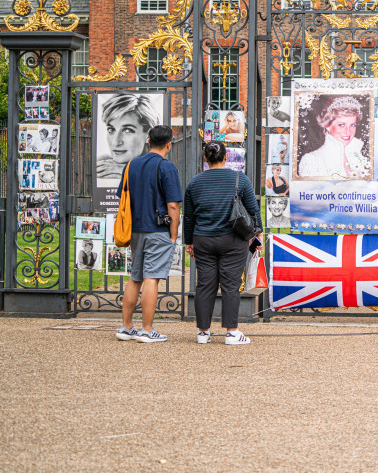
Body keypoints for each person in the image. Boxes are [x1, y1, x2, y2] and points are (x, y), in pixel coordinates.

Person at [183, 142, 263, 345]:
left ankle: (203, 332)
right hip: (233, 240)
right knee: (231, 285)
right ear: (226, 157)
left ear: (205, 159)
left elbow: (189, 217)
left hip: (203, 239)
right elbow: (253, 210)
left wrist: (189, 241)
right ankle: (232, 332)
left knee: (205, 285)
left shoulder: (195, 183)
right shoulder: (240, 179)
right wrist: (257, 234)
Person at [114, 125, 182, 343]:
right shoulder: (167, 167)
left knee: (135, 277)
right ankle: (147, 329)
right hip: (158, 229)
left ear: (148, 141)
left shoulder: (131, 164)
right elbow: (172, 205)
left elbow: (122, 197)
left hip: (135, 229)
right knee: (152, 277)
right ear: (169, 144)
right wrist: (173, 235)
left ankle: (126, 327)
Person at [298, 96, 369, 179]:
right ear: (327, 125)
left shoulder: (358, 155)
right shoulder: (312, 160)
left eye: (352, 125)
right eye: (341, 125)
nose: (348, 132)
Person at [98, 93, 160, 186]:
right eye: (111, 129)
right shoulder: (102, 166)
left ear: (148, 134)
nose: (116, 142)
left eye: (127, 130)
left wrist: (126, 171)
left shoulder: (160, 166)